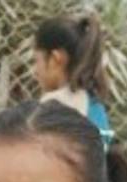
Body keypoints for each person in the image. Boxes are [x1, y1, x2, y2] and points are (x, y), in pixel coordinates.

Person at [32, 13, 114, 146]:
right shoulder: (96, 107)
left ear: (55, 59)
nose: (34, 71)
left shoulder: (55, 104)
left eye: (36, 61)